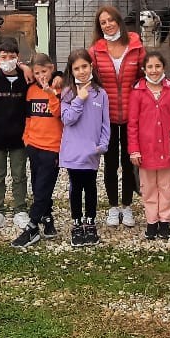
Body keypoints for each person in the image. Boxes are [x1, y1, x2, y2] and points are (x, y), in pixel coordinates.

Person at [88, 4, 145, 228]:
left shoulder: (136, 45)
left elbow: (147, 73)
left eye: (111, 20)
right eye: (103, 22)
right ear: (99, 26)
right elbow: (82, 74)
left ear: (119, 20)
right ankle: (113, 207)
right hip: (107, 116)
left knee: (130, 161)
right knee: (111, 163)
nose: (108, 25)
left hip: (132, 115)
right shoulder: (95, 50)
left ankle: (128, 206)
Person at [127, 50, 170, 239]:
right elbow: (133, 124)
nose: (154, 70)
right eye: (150, 67)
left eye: (157, 66)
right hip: (145, 151)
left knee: (167, 187)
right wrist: (134, 150)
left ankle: (165, 221)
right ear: (144, 68)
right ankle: (151, 221)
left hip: (167, 150)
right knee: (148, 188)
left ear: (163, 68)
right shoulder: (138, 92)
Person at [59, 48, 110, 247]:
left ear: (91, 67)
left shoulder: (101, 93)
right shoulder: (67, 92)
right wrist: (79, 99)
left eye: (84, 66)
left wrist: (103, 145)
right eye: (76, 68)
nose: (81, 71)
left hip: (92, 151)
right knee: (75, 187)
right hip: (73, 151)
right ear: (71, 71)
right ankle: (76, 222)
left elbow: (105, 123)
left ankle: (90, 222)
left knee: (90, 187)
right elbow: (67, 119)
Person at [0, 37, 31, 233]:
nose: (8, 59)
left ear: (18, 57)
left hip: (19, 137)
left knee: (19, 175)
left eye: (12, 57)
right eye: (4, 56)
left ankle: (20, 209)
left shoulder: (26, 77)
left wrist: (24, 66)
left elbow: (48, 72)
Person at [14, 52, 63, 248]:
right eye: (37, 72)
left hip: (53, 146)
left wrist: (51, 92)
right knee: (37, 184)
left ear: (51, 69)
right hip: (34, 144)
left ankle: (32, 226)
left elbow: (59, 113)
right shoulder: (30, 91)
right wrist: (27, 138)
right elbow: (28, 116)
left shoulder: (60, 87)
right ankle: (47, 216)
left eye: (45, 71)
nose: (41, 75)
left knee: (45, 185)